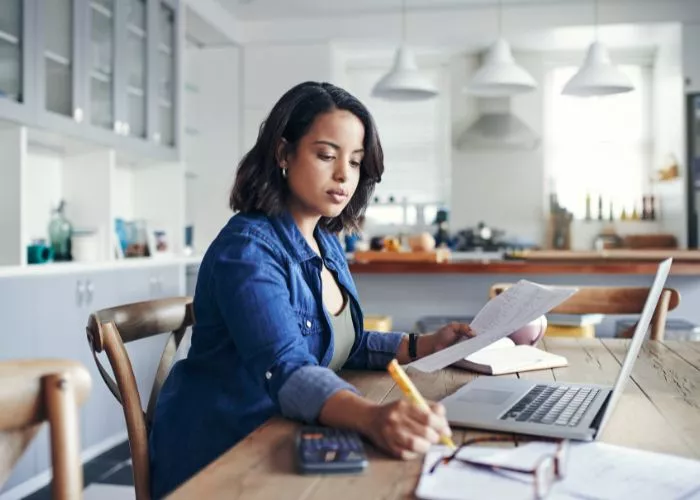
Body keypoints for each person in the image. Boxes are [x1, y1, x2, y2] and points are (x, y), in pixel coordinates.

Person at [149, 81, 473, 497]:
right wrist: (373, 417)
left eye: (355, 162)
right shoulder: (247, 250)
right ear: (283, 153)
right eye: (326, 155)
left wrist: (423, 345)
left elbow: (340, 343)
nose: (344, 175)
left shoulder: (326, 242)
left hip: (285, 434)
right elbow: (287, 366)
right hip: (224, 453)